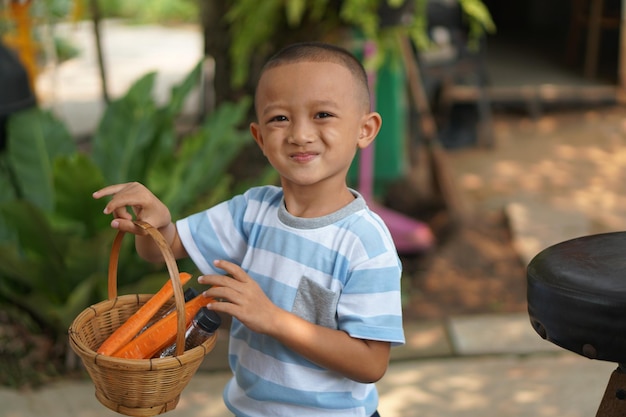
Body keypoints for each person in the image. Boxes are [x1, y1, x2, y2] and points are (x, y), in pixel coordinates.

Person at [93, 41, 405, 417]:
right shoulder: (252, 210)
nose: (300, 134)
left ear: (365, 129)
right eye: (280, 118)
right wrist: (155, 225)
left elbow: (371, 364)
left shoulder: (366, 243)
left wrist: (272, 318)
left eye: (322, 114)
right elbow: (166, 248)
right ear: (259, 138)